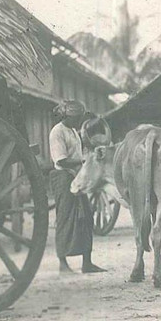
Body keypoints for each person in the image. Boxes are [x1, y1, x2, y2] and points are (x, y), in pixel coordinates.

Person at [49, 100, 106, 274]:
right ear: (68, 117)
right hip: (63, 177)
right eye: (77, 118)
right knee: (65, 217)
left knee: (86, 217)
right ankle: (63, 263)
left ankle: (87, 262)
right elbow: (61, 160)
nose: (79, 121)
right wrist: (84, 161)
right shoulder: (57, 132)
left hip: (77, 176)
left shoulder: (74, 131)